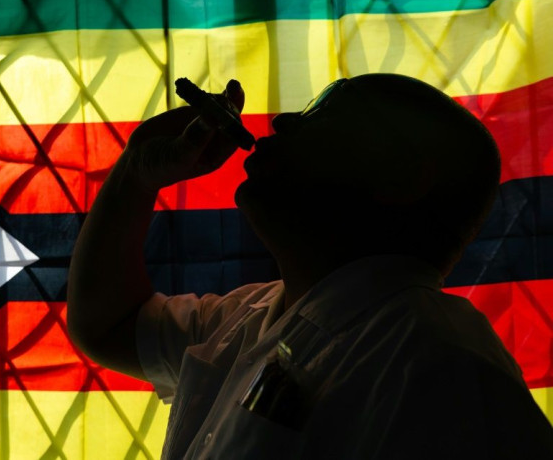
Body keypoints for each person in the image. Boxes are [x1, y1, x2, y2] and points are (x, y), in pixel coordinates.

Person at [67, 74, 553, 459]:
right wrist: (136, 171)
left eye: (324, 114)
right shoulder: (250, 316)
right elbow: (108, 323)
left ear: (401, 177)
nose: (281, 123)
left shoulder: (445, 371)